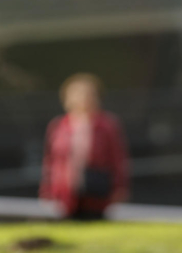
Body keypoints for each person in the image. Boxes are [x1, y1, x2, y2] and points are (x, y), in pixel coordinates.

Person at [40, 73, 129, 220]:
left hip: (97, 191)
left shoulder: (108, 125)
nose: (83, 99)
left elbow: (118, 159)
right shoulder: (59, 126)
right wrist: (46, 190)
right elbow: (50, 160)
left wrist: (120, 187)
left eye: (87, 95)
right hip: (65, 191)